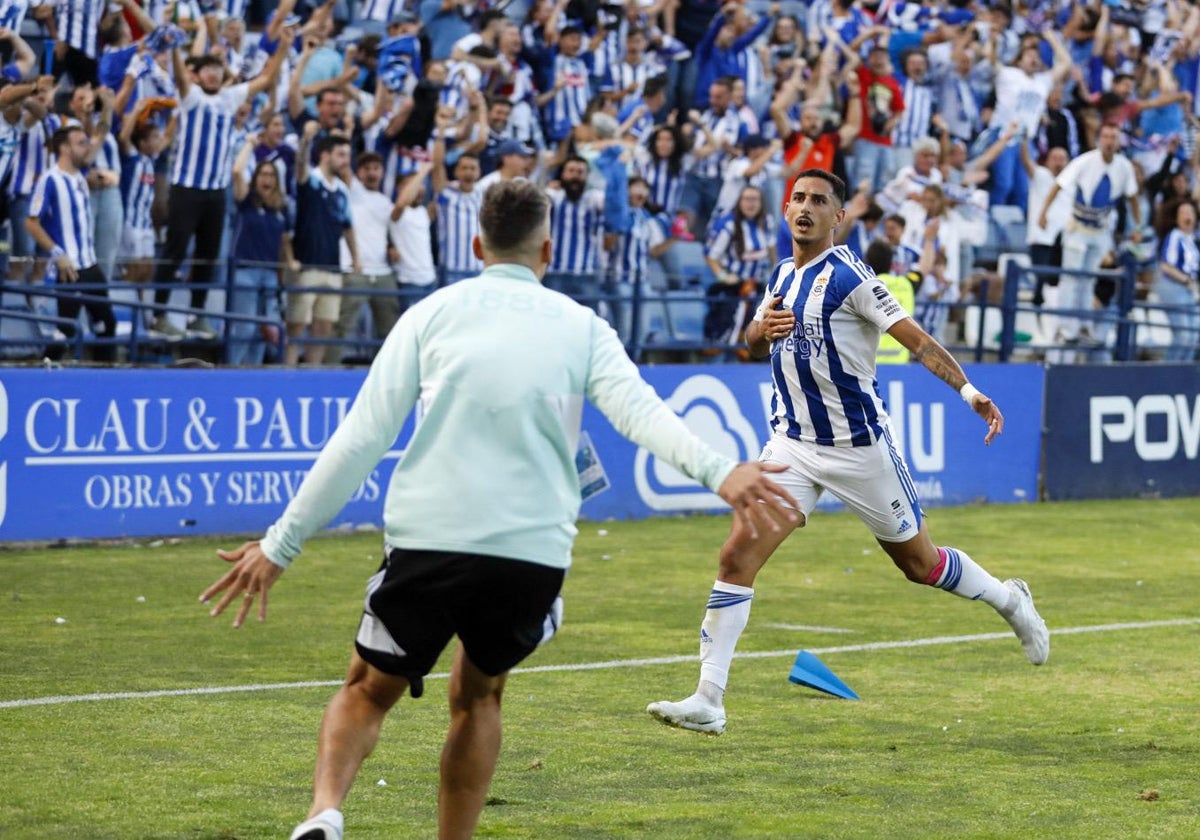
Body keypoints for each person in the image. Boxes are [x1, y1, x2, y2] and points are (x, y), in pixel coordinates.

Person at [198, 179, 800, 840]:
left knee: (368, 690)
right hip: (527, 554)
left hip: (428, 539)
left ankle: (325, 812)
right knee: (478, 695)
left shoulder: (432, 314)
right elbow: (641, 416)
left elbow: (360, 441)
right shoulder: (581, 325)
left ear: (477, 243)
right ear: (548, 249)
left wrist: (279, 546)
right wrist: (722, 471)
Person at [646, 169, 1049, 736]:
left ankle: (1010, 601)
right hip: (792, 446)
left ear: (839, 217)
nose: (805, 207)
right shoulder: (783, 275)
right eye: (799, 198)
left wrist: (969, 391)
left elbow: (918, 340)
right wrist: (762, 328)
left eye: (819, 201)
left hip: (860, 449)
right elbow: (749, 344)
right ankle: (709, 699)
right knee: (737, 556)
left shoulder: (852, 276)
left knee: (921, 565)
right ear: (787, 210)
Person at [1036, 123, 1140, 356]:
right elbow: (1058, 185)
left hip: (1100, 229)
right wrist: (1043, 212)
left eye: (1113, 137)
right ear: (1098, 139)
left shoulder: (1124, 167)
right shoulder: (1085, 161)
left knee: (1089, 280)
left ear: (1119, 141)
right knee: (1071, 278)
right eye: (1105, 136)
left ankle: (1082, 326)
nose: (1109, 141)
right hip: (1078, 226)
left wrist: (1138, 226)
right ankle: (1067, 328)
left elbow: (1133, 197)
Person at [24, 124, 117, 360]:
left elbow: (102, 130)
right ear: (65, 148)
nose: (87, 148)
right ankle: (43, 372)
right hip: (69, 268)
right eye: (81, 143)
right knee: (64, 331)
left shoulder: (81, 176)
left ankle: (105, 378)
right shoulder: (50, 180)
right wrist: (58, 253)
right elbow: (31, 222)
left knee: (107, 324)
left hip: (90, 264)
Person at [288, 130, 360, 366]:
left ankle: (312, 374)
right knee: (297, 325)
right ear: (325, 155)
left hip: (332, 266)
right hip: (306, 263)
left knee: (324, 326)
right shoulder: (311, 179)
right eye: (340, 154)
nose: (345, 160)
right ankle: (286, 373)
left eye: (347, 155)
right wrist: (305, 141)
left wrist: (356, 257)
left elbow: (348, 226)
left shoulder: (342, 189)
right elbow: (300, 169)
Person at [1154, 196, 1200, 362]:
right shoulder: (1175, 235)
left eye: (1190, 212)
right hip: (1173, 285)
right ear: (1177, 217)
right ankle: (1169, 374)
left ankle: (1184, 376)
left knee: (1194, 334)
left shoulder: (1194, 239)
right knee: (1183, 334)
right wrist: (1187, 281)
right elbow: (1166, 265)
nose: (1187, 215)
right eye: (1183, 212)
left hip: (1190, 288)